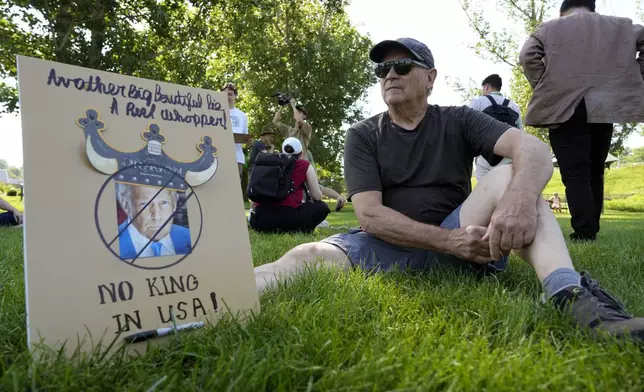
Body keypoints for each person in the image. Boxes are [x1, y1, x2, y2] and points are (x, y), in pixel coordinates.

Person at [254, 37, 644, 341]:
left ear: (430, 77)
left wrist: (518, 203)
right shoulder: (362, 134)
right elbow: (370, 216)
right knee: (304, 255)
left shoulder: (458, 119)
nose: (390, 74)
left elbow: (534, 150)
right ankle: (210, 296)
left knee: (512, 176)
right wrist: (448, 242)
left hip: (463, 232)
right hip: (385, 243)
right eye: (382, 69)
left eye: (402, 65)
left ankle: (571, 299)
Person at [519, 0, 644, 242]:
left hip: (565, 105)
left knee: (575, 173)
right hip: (605, 105)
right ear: (592, 8)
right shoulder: (620, 26)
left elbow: (527, 56)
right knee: (596, 170)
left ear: (563, 11)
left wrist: (545, 86)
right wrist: (634, 77)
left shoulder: (549, 28)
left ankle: (585, 232)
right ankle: (591, 227)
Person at [249, 137, 330, 233]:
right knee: (322, 207)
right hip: (290, 218)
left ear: (283, 152)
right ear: (301, 154)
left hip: (261, 220)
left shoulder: (269, 163)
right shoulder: (304, 165)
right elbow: (316, 196)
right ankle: (301, 228)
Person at [469, 74, 523, 181]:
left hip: (485, 155)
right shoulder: (513, 106)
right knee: (504, 190)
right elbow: (520, 132)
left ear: (486, 86)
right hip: (507, 156)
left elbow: (468, 126)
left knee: (483, 190)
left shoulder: (478, 102)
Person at [116, 183, 191, 259]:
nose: (157, 217)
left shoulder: (189, 237)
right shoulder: (111, 246)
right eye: (145, 204)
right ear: (126, 205)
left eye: (164, 203)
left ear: (174, 204)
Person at [222, 82, 249, 180]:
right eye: (224, 94)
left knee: (235, 191)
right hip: (218, 157)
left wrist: (249, 141)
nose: (227, 97)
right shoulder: (215, 112)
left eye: (230, 94)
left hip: (237, 158)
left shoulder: (242, 115)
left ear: (235, 96)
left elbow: (246, 137)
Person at [273, 98, 313, 162]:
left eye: (299, 112)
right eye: (296, 111)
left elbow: (299, 121)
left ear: (304, 116)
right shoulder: (289, 130)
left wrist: (293, 106)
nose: (295, 112)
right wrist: (282, 107)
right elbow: (275, 121)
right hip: (289, 163)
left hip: (301, 162)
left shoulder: (307, 127)